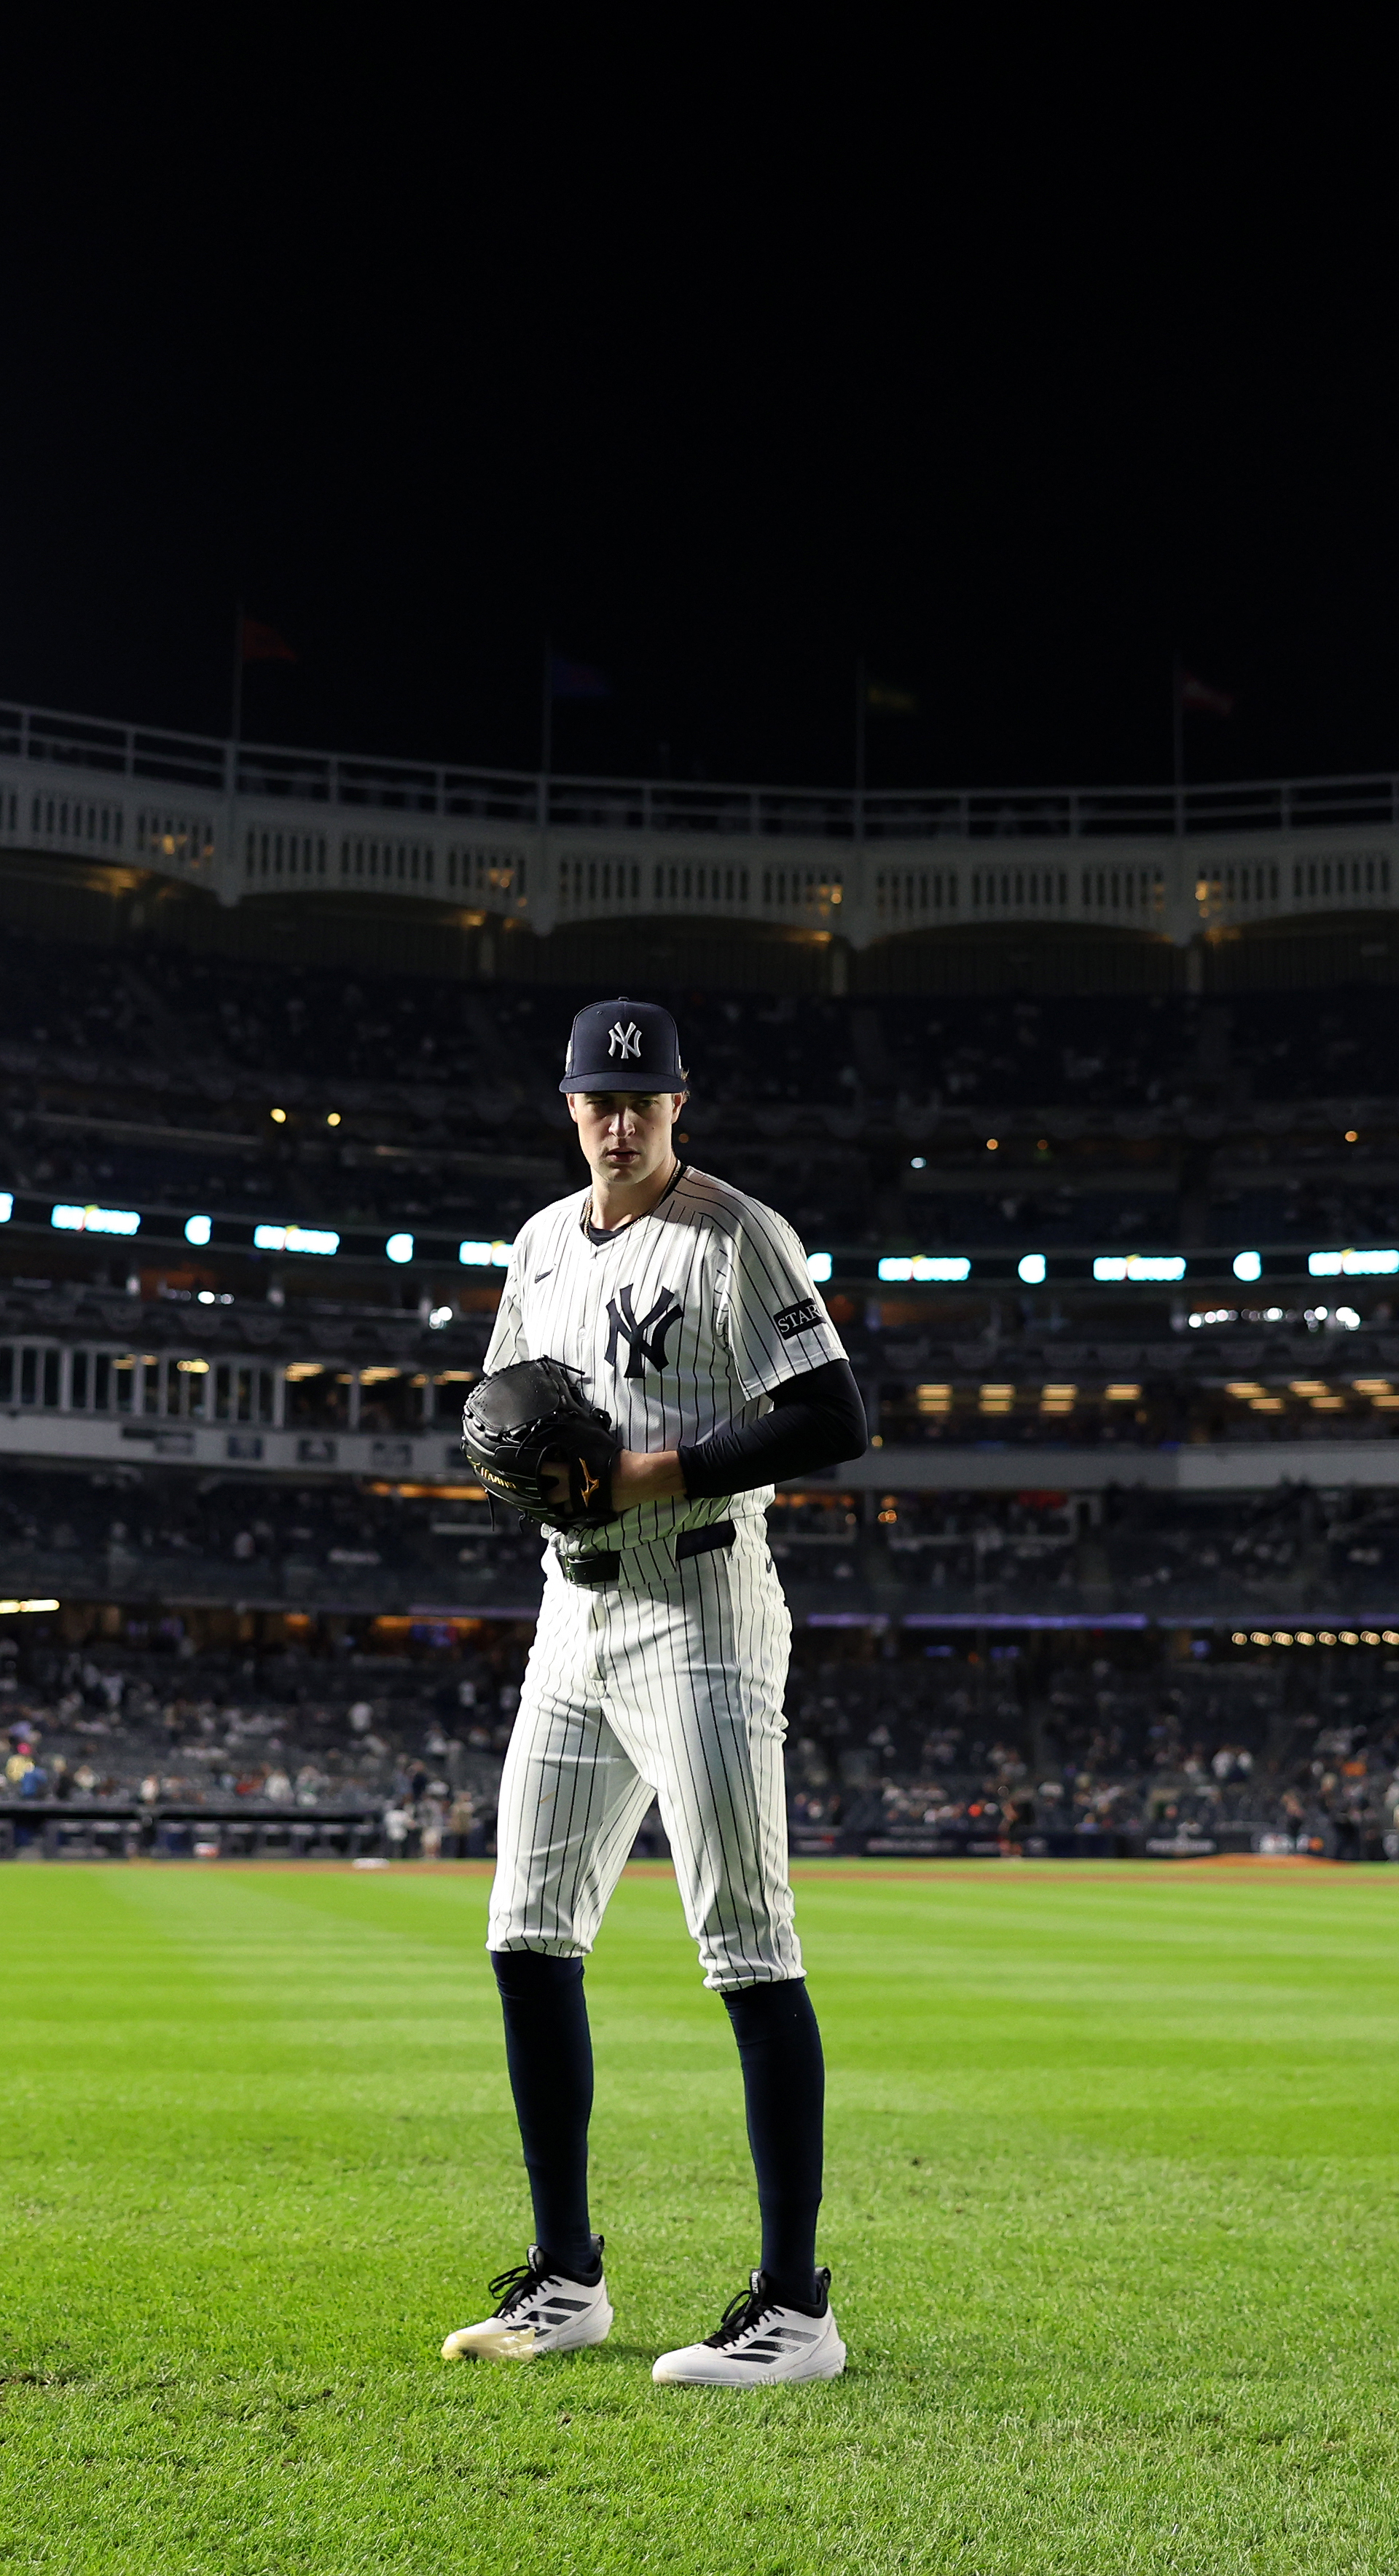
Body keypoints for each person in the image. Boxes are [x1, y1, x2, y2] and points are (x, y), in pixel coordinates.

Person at [438, 998, 870, 2389]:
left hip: (697, 1601)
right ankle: (566, 2278)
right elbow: (509, 1401)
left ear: (679, 1104)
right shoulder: (537, 1243)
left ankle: (794, 2310)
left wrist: (646, 1471)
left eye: (643, 1100)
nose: (617, 1121)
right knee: (525, 1935)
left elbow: (833, 1416)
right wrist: (524, 1469)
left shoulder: (738, 1234)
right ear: (567, 1106)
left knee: (746, 1945)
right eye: (594, 1101)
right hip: (574, 1609)